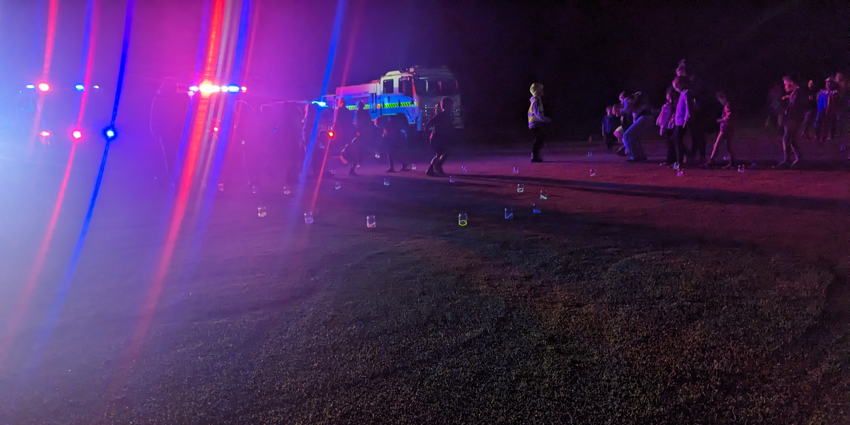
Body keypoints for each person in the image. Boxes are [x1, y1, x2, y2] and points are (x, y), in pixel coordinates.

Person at [775, 75, 807, 168]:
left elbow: (795, 105)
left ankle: (787, 160)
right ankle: (799, 159)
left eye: (786, 84)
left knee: (786, 138)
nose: (785, 86)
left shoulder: (798, 92)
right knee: (792, 139)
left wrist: (787, 109)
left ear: (791, 83)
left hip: (794, 119)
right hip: (794, 118)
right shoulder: (796, 92)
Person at [423, 97, 455, 176]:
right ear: (446, 105)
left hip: (440, 138)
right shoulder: (441, 115)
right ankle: (433, 168)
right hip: (436, 138)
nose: (451, 107)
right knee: (441, 153)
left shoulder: (446, 115)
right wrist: (426, 132)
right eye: (450, 105)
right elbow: (430, 122)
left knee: (444, 153)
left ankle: (436, 167)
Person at [704, 91, 735, 169]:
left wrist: (721, 120)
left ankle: (711, 161)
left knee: (716, 144)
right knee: (727, 145)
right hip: (727, 128)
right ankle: (732, 162)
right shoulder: (728, 106)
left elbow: (729, 116)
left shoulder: (727, 106)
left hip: (725, 129)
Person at [620, 91, 651, 162]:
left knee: (626, 135)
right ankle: (641, 156)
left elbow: (627, 109)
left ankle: (634, 156)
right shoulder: (634, 99)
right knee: (634, 137)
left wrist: (619, 110)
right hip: (647, 117)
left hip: (643, 117)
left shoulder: (627, 99)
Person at [672, 76, 696, 166]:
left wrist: (687, 119)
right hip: (678, 121)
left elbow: (688, 107)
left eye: (676, 86)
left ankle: (682, 160)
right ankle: (682, 159)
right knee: (676, 139)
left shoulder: (687, 93)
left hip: (682, 121)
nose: (676, 89)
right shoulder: (682, 94)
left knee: (677, 139)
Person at [527, 83, 551, 162]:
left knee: (539, 139)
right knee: (539, 140)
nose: (543, 91)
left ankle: (535, 156)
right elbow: (537, 113)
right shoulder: (536, 100)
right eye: (541, 90)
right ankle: (534, 156)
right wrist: (545, 119)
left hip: (534, 123)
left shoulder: (536, 100)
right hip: (535, 123)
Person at [815, 78, 840, 144]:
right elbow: (817, 98)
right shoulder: (822, 91)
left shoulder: (834, 92)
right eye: (827, 83)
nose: (828, 84)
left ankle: (823, 138)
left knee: (825, 125)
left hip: (828, 111)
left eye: (830, 83)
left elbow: (836, 101)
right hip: (820, 110)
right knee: (817, 123)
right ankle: (818, 136)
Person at [657, 89, 677, 165]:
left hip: (672, 125)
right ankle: (671, 161)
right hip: (671, 125)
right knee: (671, 143)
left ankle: (674, 163)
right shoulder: (670, 105)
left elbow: (665, 117)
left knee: (673, 144)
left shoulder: (669, 106)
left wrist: (662, 127)